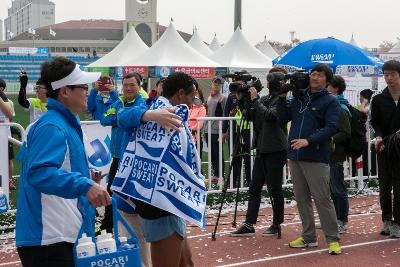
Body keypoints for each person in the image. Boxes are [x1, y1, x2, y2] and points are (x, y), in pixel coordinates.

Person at [15, 57, 111, 267]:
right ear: (65, 91)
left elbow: (49, 167)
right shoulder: (52, 126)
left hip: (61, 237)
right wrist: (84, 185)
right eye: (83, 86)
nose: (87, 91)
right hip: (49, 240)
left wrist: (87, 179)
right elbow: (38, 173)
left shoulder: (64, 123)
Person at [115, 72, 199, 267]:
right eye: (192, 96)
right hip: (160, 203)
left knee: (187, 263)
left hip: (170, 200)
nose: (194, 102)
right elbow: (122, 117)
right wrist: (148, 115)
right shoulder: (153, 110)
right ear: (179, 94)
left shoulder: (174, 113)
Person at [277, 63, 341, 255]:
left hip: (316, 156)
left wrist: (308, 141)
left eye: (320, 75)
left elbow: (331, 127)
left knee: (322, 199)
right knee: (302, 198)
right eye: (313, 74)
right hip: (295, 156)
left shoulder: (330, 101)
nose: (315, 77)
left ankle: (333, 239)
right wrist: (281, 97)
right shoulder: (299, 97)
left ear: (327, 80)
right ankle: (308, 236)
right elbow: (282, 118)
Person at [230, 67, 288, 237]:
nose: (270, 85)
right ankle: (249, 224)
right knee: (254, 187)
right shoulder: (264, 99)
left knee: (274, 189)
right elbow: (249, 116)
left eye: (274, 81)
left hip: (276, 149)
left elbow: (271, 116)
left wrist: (255, 101)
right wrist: (242, 99)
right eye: (269, 81)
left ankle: (277, 223)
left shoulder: (283, 102)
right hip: (262, 148)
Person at [99, 73, 145, 233]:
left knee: (133, 193)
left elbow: (127, 120)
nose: (128, 88)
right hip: (118, 157)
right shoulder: (119, 103)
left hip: (134, 158)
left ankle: (134, 227)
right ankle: (108, 226)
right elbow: (104, 118)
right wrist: (120, 117)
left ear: (139, 87)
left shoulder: (142, 104)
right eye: (125, 85)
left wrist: (119, 117)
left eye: (132, 85)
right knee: (112, 191)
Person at [370, 60, 400, 238]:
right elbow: (374, 122)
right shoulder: (379, 99)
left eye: (393, 75)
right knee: (384, 187)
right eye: (386, 75)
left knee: (399, 187)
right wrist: (379, 136)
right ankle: (386, 220)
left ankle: (398, 223)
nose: (389, 78)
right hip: (384, 149)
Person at [327, 75, 351, 234]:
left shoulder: (341, 107)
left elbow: (346, 132)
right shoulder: (332, 104)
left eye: (328, 85)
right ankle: (334, 218)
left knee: (338, 188)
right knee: (331, 188)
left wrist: (331, 138)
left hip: (336, 154)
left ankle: (342, 220)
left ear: (335, 88)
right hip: (328, 154)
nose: (325, 88)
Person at [204, 76, 227, 186]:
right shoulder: (209, 97)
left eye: (219, 84)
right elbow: (208, 113)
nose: (217, 85)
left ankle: (221, 176)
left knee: (218, 153)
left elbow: (224, 114)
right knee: (212, 154)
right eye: (215, 83)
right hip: (208, 129)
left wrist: (223, 131)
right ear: (212, 84)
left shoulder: (223, 98)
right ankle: (216, 175)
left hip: (217, 130)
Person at [0, 79, 16, 190]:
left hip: (5, 135)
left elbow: (9, 115)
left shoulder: (6, 100)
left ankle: (9, 180)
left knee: (8, 158)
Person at [189, 80, 206, 155]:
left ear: (200, 96)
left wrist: (189, 128)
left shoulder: (202, 108)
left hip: (196, 138)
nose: (195, 96)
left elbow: (200, 124)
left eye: (197, 94)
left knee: (197, 159)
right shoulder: (188, 106)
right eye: (194, 94)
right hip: (187, 137)